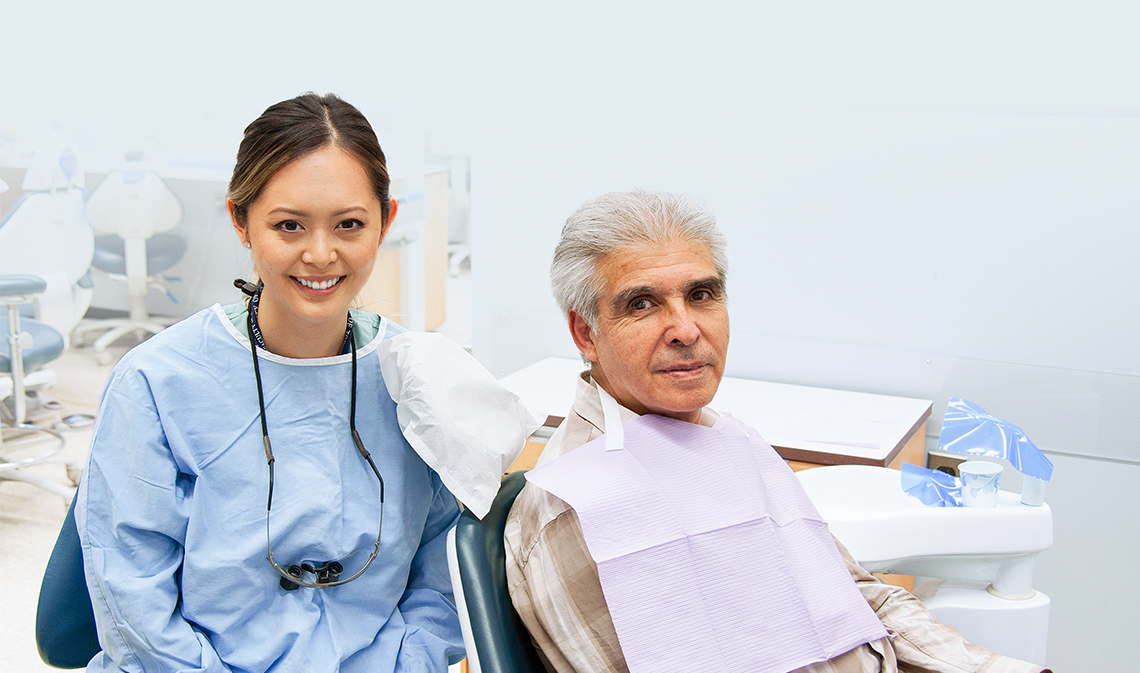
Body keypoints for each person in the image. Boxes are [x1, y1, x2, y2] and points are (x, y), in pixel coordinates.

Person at [504, 190, 1049, 673]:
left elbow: (862, 597)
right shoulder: (577, 510)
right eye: (642, 304)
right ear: (586, 332)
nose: (687, 330)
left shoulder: (725, 439)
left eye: (701, 295)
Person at [78, 93, 532, 672]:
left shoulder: (422, 379)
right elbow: (129, 586)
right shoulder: (158, 381)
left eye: (349, 225)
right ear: (241, 221)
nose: (321, 254)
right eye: (288, 225)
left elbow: (445, 569)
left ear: (385, 222)